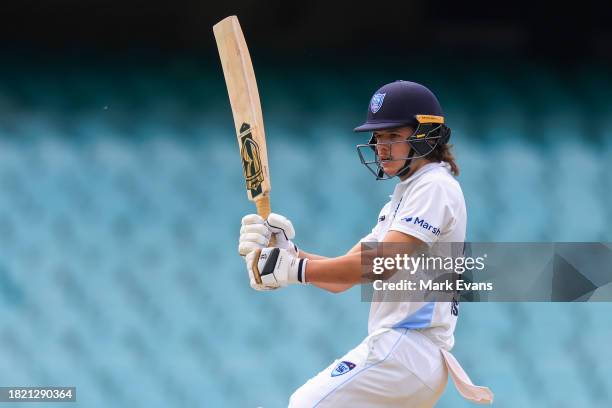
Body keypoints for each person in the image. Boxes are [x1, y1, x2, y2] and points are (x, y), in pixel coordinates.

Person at [238, 80, 493, 407]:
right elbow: (342, 278)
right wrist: (289, 253)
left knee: (306, 404)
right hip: (407, 358)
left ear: (428, 136)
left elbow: (381, 264)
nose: (380, 147)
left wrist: (295, 270)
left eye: (392, 136)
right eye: (377, 137)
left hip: (406, 351)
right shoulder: (404, 197)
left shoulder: (434, 186)